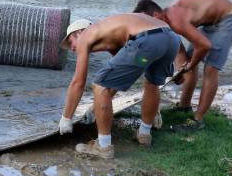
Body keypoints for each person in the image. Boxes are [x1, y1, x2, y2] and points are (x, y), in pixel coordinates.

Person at [58, 14, 180, 159]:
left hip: (147, 41)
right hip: (170, 41)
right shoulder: (111, 35)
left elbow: (78, 82)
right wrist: (95, 107)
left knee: (99, 85)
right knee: (152, 82)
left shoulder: (86, 35)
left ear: (79, 32)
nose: (72, 48)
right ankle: (144, 134)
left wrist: (66, 118)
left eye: (70, 41)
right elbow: (115, 81)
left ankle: (103, 147)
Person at [133, 0, 232, 130]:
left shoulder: (176, 19)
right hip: (209, 22)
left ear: (155, 16)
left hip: (228, 18)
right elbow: (179, 51)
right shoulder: (165, 21)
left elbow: (204, 46)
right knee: (191, 59)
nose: (149, 27)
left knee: (211, 68)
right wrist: (181, 71)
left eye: (149, 23)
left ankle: (198, 120)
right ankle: (184, 107)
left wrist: (190, 67)